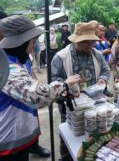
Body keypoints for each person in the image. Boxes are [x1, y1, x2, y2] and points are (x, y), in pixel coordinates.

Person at [0, 15, 81, 161]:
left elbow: (32, 85)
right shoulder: (7, 69)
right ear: (20, 43)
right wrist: (65, 84)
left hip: (19, 137)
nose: (33, 46)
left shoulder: (16, 60)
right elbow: (37, 96)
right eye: (32, 41)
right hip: (8, 144)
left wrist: (59, 92)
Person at [51, 21, 110, 161]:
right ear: (76, 40)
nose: (90, 45)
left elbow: (106, 69)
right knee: (69, 132)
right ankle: (65, 157)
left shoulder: (96, 54)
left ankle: (89, 154)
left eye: (92, 42)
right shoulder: (61, 57)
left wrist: (102, 78)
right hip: (70, 104)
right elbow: (54, 80)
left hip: (93, 102)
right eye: (86, 42)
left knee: (92, 130)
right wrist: (67, 86)